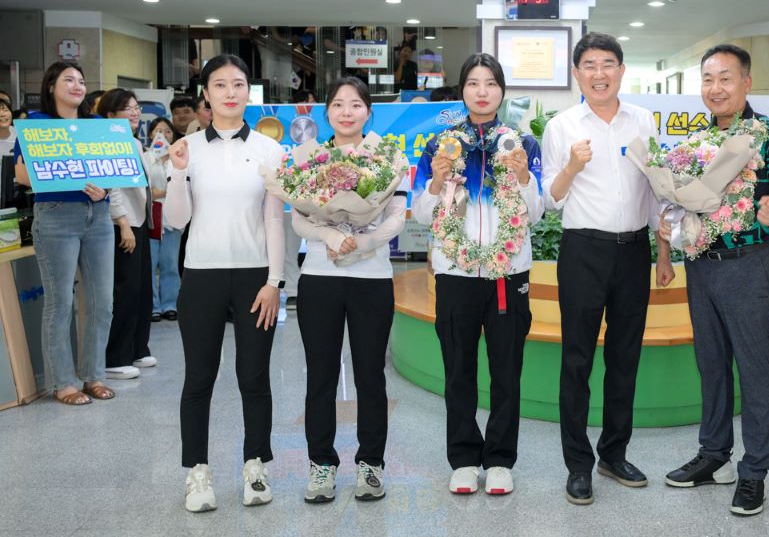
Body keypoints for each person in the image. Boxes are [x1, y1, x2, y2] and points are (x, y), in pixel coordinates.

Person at [657, 44, 769, 517]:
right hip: (702, 265)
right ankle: (714, 455)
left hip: (749, 264)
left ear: (746, 83)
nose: (715, 88)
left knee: (755, 369)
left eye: (725, 78)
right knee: (711, 362)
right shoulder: (695, 144)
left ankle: (754, 471)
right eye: (708, 79)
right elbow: (680, 204)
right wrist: (668, 233)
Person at [414, 54, 543, 497]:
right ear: (462, 90)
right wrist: (435, 181)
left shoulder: (521, 144)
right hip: (456, 272)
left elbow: (538, 213)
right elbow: (422, 212)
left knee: (507, 369)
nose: (482, 91)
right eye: (473, 83)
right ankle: (465, 458)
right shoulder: (440, 145)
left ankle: (502, 459)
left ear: (502, 91)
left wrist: (524, 175)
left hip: (509, 272)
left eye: (490, 83)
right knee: (458, 370)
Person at [164, 54, 285, 513]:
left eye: (238, 84)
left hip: (255, 277)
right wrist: (176, 170)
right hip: (201, 276)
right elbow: (177, 221)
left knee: (254, 377)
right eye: (220, 84)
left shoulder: (271, 151)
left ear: (248, 92)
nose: (230, 92)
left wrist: (275, 280)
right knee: (198, 378)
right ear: (207, 94)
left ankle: (256, 464)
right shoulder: (188, 148)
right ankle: (197, 472)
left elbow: (275, 222)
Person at [541, 33, 658, 505]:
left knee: (625, 359)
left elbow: (655, 191)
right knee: (577, 361)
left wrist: (664, 252)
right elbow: (551, 199)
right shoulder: (561, 126)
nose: (599, 73)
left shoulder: (643, 121)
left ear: (622, 70)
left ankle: (614, 452)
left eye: (608, 64)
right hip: (582, 251)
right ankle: (578, 465)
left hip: (634, 251)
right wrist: (571, 165)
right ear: (577, 74)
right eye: (589, 65)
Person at [292, 77, 408, 503]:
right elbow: (298, 219)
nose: (346, 112)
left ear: (368, 111)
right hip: (320, 277)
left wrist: (363, 241)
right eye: (338, 104)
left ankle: (371, 465)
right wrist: (328, 235)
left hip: (371, 278)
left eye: (355, 104)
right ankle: (321, 465)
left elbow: (398, 215)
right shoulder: (312, 159)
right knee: (320, 376)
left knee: (370, 376)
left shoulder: (387, 157)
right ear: (326, 113)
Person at [13, 62, 114, 406]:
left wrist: (106, 187)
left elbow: (114, 168)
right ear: (51, 86)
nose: (77, 86)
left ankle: (94, 375)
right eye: (68, 80)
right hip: (56, 215)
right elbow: (22, 175)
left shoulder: (98, 125)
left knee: (103, 302)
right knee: (61, 304)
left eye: (81, 81)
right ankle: (63, 383)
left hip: (98, 215)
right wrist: (66, 178)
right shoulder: (37, 125)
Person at [98, 89, 155, 378]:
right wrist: (122, 223)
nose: (134, 113)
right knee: (126, 288)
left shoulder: (134, 142)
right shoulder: (109, 141)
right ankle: (115, 356)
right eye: (126, 108)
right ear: (110, 115)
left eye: (136, 108)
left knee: (143, 289)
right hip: (125, 223)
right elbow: (113, 187)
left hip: (141, 220)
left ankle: (137, 349)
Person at [145, 117, 182, 322]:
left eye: (167, 131)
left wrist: (163, 191)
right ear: (151, 134)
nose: (163, 135)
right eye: (158, 131)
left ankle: (170, 303)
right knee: (150, 264)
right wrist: (156, 192)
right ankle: (153, 305)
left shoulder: (178, 158)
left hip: (172, 217)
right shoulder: (145, 157)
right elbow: (143, 188)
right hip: (150, 216)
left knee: (170, 263)